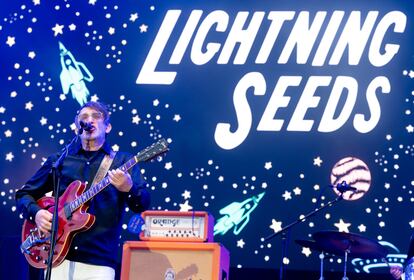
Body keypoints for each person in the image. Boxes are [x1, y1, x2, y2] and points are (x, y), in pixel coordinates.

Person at [15, 101, 150, 280]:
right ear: (76, 127)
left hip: (98, 262)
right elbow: (24, 194)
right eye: (84, 117)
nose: (89, 120)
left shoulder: (122, 162)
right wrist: (37, 214)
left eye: (96, 116)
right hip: (56, 257)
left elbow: (142, 204)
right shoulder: (60, 161)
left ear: (108, 127)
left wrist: (129, 188)